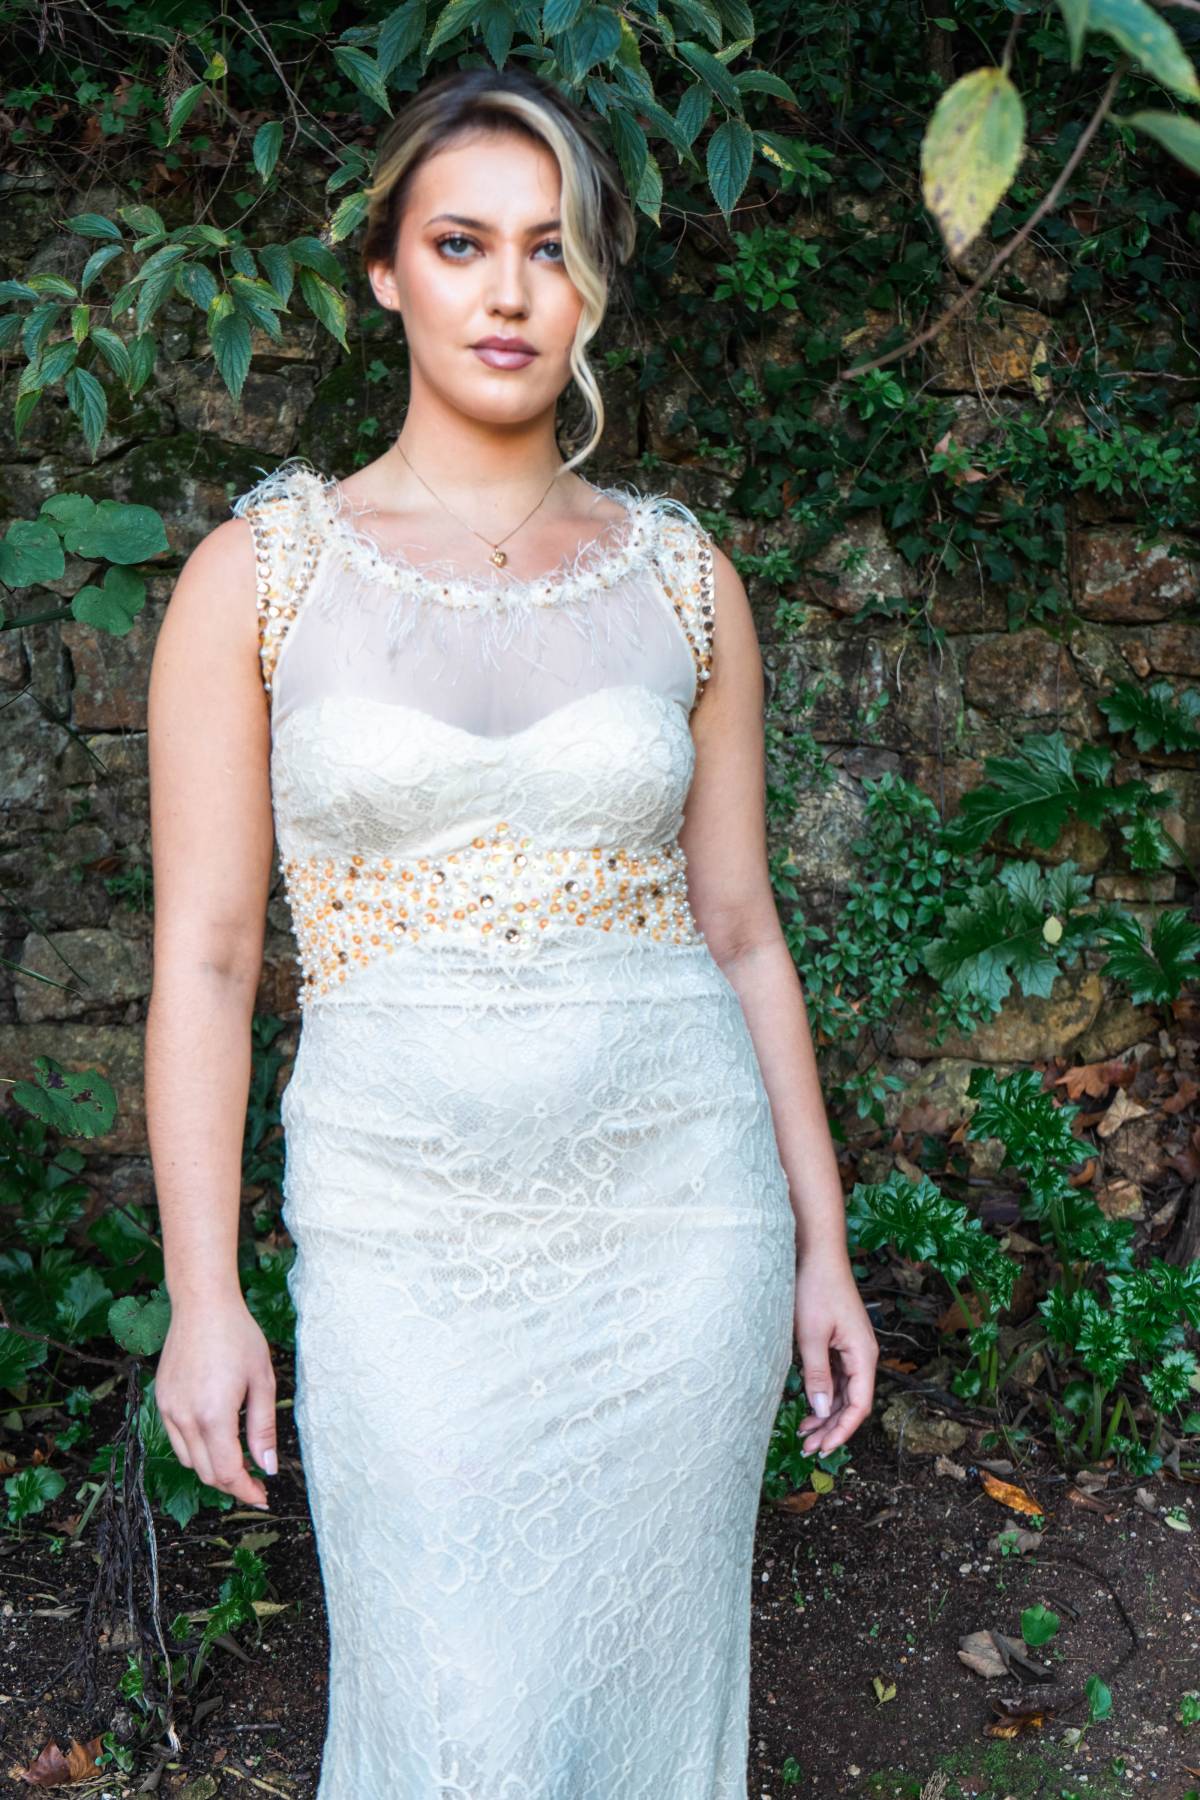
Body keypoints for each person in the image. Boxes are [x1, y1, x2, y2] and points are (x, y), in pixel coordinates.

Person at [145, 63, 877, 1798]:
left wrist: (823, 1244)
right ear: (385, 273)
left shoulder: (682, 577)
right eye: (461, 243)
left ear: (592, 288)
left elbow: (742, 929)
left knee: (643, 1714)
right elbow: (209, 961)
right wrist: (202, 1296)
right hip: (403, 1235)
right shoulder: (261, 574)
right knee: (455, 1722)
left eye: (551, 249)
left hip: (678, 1224)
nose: (509, 290)